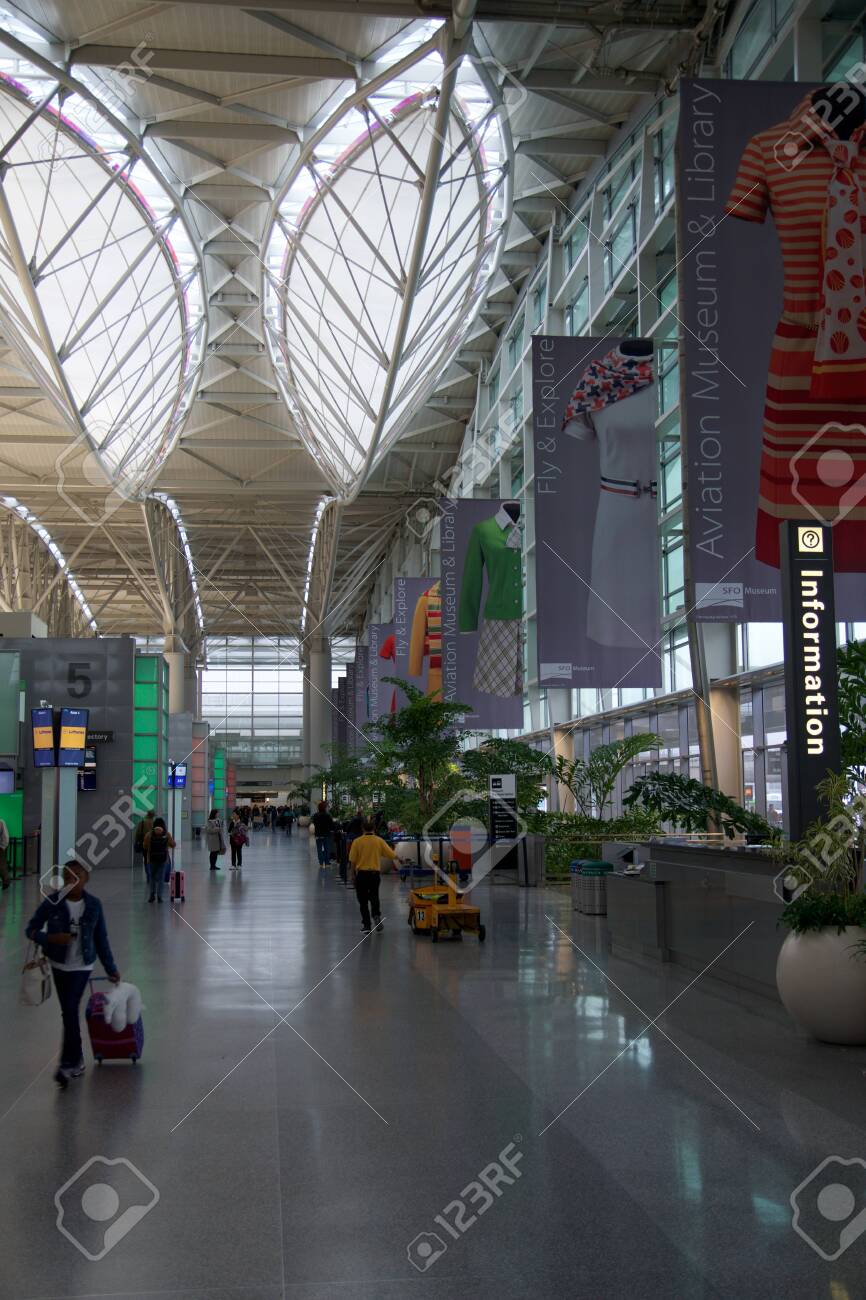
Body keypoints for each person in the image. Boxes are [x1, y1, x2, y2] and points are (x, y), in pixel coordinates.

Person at [25, 861, 120, 1088]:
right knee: (67, 1013)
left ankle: (66, 1064)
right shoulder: (52, 903)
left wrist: (111, 969)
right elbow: (31, 929)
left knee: (69, 1009)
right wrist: (50, 939)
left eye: (77, 876)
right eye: (67, 877)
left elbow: (101, 939)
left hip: (82, 967)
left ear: (86, 879)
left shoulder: (94, 905)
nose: (72, 882)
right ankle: (76, 1059)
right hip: (58, 965)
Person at [349, 820, 398, 933]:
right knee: (374, 896)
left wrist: (352, 875)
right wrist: (399, 858)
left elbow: (352, 860)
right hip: (374, 875)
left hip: (361, 875)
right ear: (374, 828)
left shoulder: (357, 842)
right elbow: (390, 854)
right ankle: (376, 915)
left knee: (363, 901)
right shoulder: (379, 841)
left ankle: (367, 926)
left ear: (363, 829)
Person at [144, 816, 175, 902]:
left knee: (152, 877)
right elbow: (173, 844)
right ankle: (160, 896)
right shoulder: (166, 834)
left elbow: (145, 846)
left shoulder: (149, 834)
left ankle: (152, 894)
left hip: (151, 859)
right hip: (163, 859)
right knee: (161, 878)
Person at [311, 800, 334, 867]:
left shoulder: (315, 815)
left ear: (318, 808)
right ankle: (327, 863)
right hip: (326, 834)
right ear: (325, 808)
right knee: (327, 849)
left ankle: (321, 863)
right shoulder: (328, 815)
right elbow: (331, 825)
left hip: (318, 834)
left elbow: (314, 823)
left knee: (319, 849)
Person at [0, 816, 10, 891]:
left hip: (0, 847)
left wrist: (3, 846)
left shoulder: (1, 822)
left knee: (1, 865)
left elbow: (5, 836)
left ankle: (6, 881)